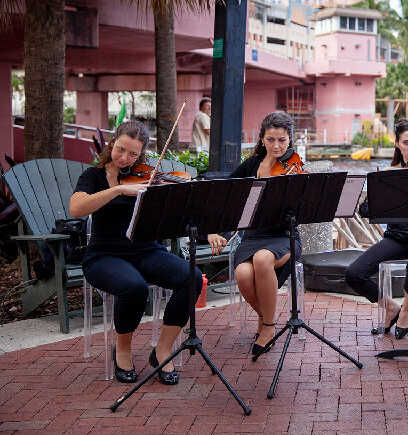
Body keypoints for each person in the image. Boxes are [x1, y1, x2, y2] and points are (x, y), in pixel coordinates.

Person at [70, 121, 202, 385]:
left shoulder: (146, 175)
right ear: (112, 143)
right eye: (121, 150)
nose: (125, 158)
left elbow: (177, 214)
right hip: (104, 256)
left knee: (192, 277)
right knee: (134, 286)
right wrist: (118, 189)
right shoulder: (93, 176)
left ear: (141, 154)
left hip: (146, 250)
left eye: (133, 154)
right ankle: (123, 349)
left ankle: (163, 348)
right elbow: (76, 208)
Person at [207, 111, 301, 359]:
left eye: (282, 140)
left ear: (290, 139)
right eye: (271, 140)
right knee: (242, 273)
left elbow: (303, 208)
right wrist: (214, 229)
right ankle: (265, 315)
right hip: (253, 236)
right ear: (262, 139)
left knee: (262, 260)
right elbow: (226, 195)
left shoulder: (295, 167)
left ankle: (268, 328)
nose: (277, 145)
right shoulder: (251, 165)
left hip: (283, 236)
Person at [344, 118, 408, 339]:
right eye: (407, 143)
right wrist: (379, 194)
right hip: (397, 238)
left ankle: (406, 310)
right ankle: (391, 307)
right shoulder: (389, 174)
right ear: (397, 144)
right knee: (353, 273)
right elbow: (366, 210)